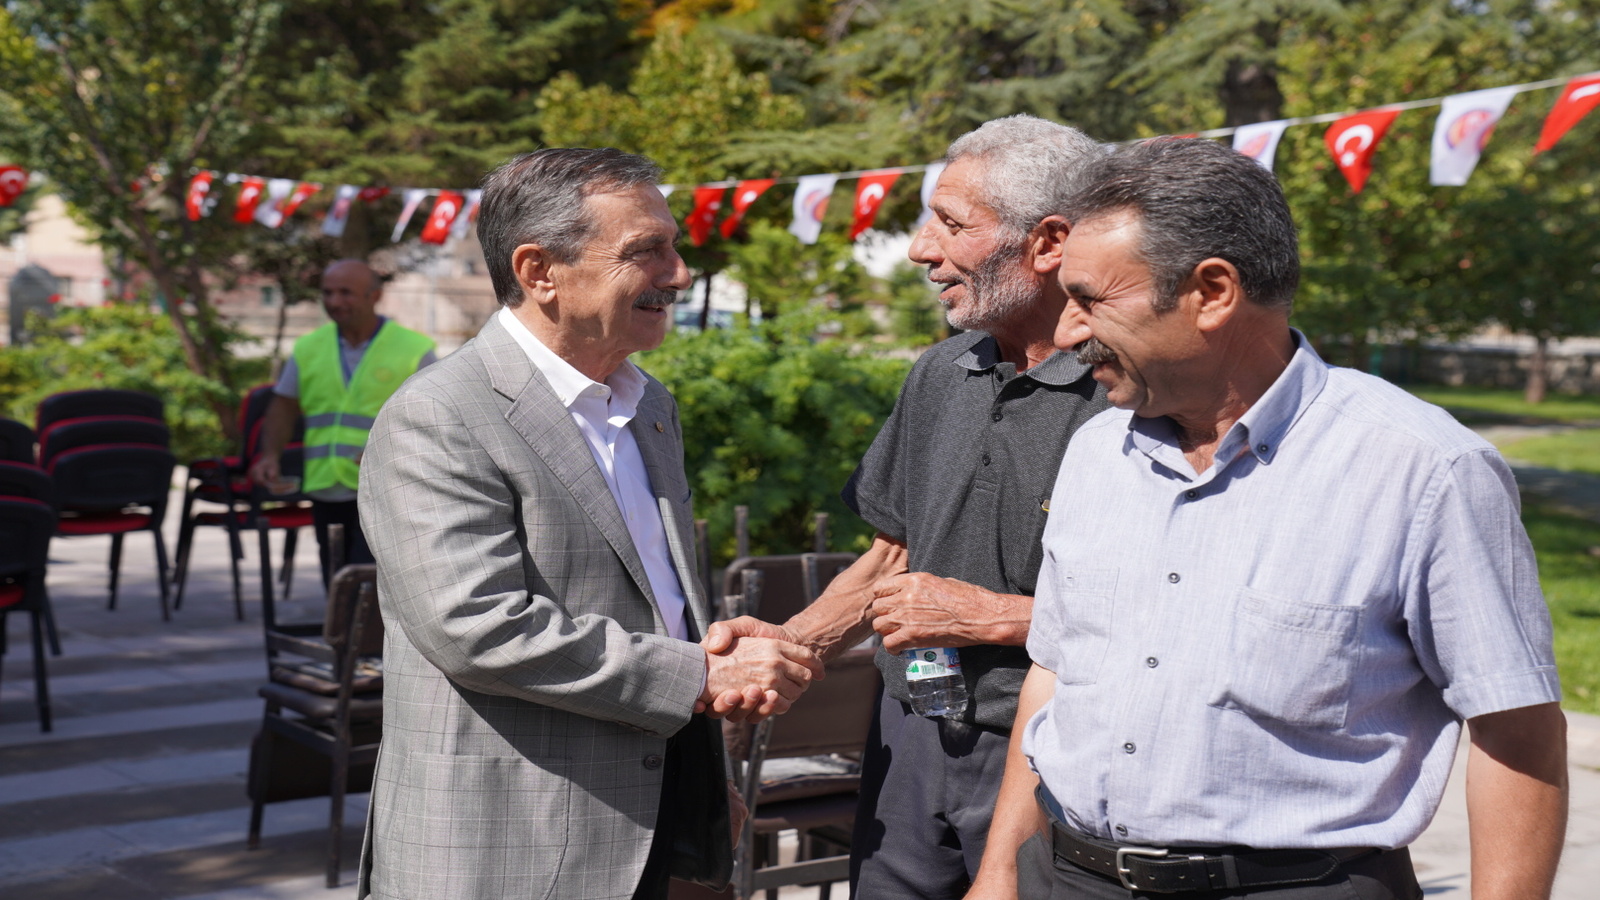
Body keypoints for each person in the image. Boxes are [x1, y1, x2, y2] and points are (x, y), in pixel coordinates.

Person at [969, 137, 1568, 900]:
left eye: (1091, 300)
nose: (1067, 332)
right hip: (1068, 878)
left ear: (1212, 292)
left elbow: (1516, 730)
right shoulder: (1096, 452)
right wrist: (999, 872)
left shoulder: (1422, 470)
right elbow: (1054, 673)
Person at [354, 148, 824, 900]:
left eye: (674, 247)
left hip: (647, 822)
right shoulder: (440, 415)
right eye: (645, 251)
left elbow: (654, 604)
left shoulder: (648, 405)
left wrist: (701, 779)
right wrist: (703, 674)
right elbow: (477, 628)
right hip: (507, 845)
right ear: (539, 271)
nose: (678, 274)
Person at [705, 115, 1110, 899]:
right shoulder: (941, 371)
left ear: (1049, 243)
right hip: (910, 733)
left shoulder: (1127, 394)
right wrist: (790, 646)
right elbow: (893, 557)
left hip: (1051, 747)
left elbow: (1168, 613)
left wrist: (994, 617)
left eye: (952, 224)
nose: (923, 249)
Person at [249, 258, 436, 584]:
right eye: (328, 293)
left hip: (387, 490)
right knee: (336, 581)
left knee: (371, 586)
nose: (335, 302)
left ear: (374, 296)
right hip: (326, 487)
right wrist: (270, 456)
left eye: (346, 293)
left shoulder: (414, 349)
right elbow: (284, 405)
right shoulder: (308, 347)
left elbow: (436, 419)